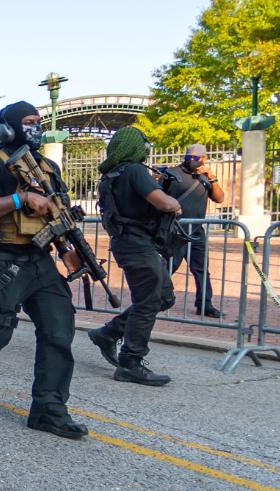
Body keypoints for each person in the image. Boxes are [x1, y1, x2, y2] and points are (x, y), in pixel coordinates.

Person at [0, 101, 88, 439]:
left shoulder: (49, 167)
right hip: (3, 262)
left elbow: (58, 211)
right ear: (8, 128)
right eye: (28, 121)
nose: (36, 127)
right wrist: (20, 200)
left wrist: (69, 248)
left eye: (39, 121)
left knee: (58, 331)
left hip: (41, 262)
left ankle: (48, 410)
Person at [86, 127, 182, 386]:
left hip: (131, 243)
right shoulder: (134, 171)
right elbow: (163, 203)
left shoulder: (111, 175)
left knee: (163, 297)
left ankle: (109, 333)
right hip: (138, 245)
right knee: (149, 302)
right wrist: (175, 204)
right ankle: (130, 362)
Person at [164, 144, 226, 318]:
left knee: (201, 269)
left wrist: (212, 179)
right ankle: (153, 299)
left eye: (196, 158)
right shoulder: (173, 174)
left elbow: (220, 198)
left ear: (204, 158)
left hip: (197, 231)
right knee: (169, 267)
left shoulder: (206, 178)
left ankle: (205, 304)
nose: (192, 161)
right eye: (189, 157)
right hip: (175, 230)